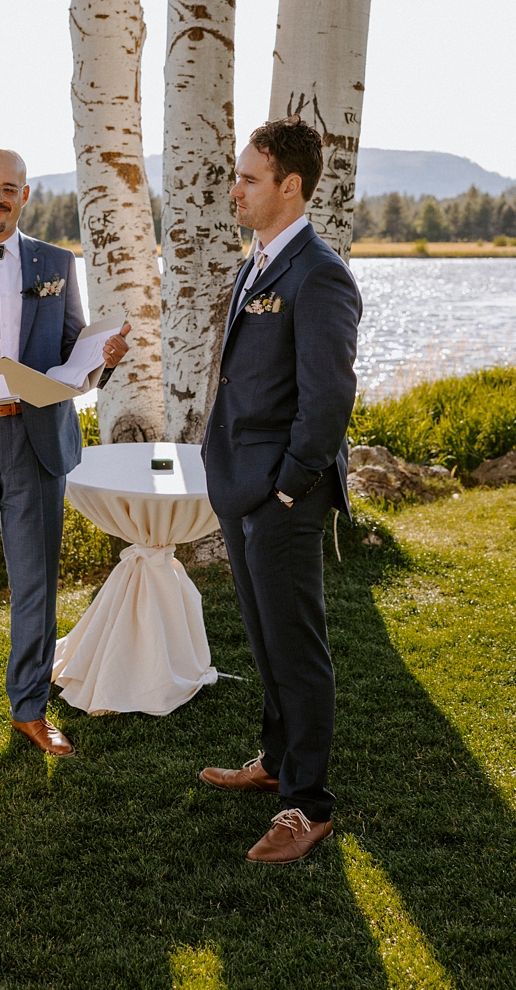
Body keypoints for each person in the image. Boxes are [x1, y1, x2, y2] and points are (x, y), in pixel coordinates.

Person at [0, 148, 129, 757]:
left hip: (37, 440)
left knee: (36, 585)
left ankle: (30, 708)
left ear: (26, 196)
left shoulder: (57, 263)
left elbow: (73, 349)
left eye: (9, 188)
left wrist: (101, 360)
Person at [197, 117, 361, 865]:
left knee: (297, 648)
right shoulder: (256, 263)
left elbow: (328, 398)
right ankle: (275, 761)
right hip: (241, 485)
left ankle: (309, 806)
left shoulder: (318, 274)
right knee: (265, 639)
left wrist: (291, 489)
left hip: (281, 495)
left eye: (248, 178)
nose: (234, 188)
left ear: (289, 187)